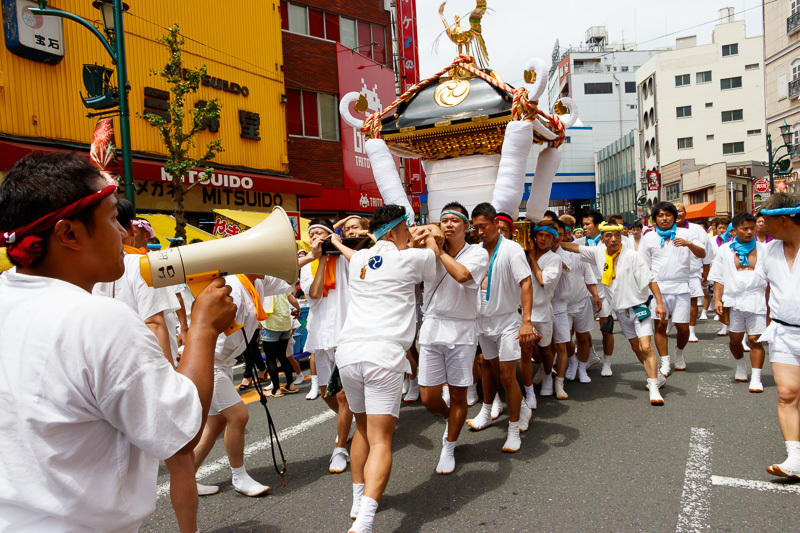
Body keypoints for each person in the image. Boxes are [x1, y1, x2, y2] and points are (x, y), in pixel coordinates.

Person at [0, 152, 236, 531]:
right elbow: (181, 432)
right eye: (112, 219)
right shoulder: (98, 319)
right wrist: (204, 327)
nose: (125, 233)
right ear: (69, 233)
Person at [334, 205, 437, 532]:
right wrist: (429, 239)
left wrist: (410, 241)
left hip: (349, 353)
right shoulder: (412, 258)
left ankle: (357, 498)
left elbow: (361, 255)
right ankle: (365, 520)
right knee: (381, 440)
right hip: (383, 355)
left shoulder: (360, 259)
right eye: (406, 228)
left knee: (361, 429)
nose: (411, 233)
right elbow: (433, 264)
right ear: (392, 232)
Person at [561, 221, 668, 404]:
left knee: (645, 347)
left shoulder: (633, 256)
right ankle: (656, 374)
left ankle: (654, 387)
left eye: (617, 235)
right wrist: (550, 239)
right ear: (601, 239)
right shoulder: (598, 253)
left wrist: (659, 303)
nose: (614, 239)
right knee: (636, 347)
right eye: (609, 236)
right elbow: (571, 247)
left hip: (639, 307)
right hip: (620, 312)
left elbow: (651, 280)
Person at [418, 202, 489, 475]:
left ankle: (449, 445)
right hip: (432, 327)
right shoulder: (428, 251)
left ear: (466, 226)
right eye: (443, 220)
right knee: (428, 396)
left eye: (454, 221)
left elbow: (462, 275)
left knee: (459, 393)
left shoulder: (478, 253)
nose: (448, 225)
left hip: (461, 330)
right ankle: (452, 420)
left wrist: (436, 252)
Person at [466, 203, 534, 452]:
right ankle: (503, 409)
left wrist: (526, 321)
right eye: (476, 227)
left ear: (496, 223)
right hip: (483, 322)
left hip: (506, 321)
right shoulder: (475, 250)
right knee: (489, 369)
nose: (480, 231)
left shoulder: (511, 249)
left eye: (483, 226)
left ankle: (514, 429)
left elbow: (526, 283)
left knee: (507, 375)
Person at [300, 219, 355, 473]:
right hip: (321, 333)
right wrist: (319, 259)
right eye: (312, 235)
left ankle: (340, 448)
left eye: (322, 233)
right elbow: (314, 293)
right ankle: (350, 420)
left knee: (343, 394)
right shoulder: (307, 266)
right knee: (327, 393)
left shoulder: (344, 258)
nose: (316, 237)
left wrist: (336, 245)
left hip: (345, 333)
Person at [755, 192, 800, 479]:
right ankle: (795, 458)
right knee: (786, 393)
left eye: (766, 221)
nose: (761, 225)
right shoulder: (769, 251)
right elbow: (763, 286)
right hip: (783, 330)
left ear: (783, 219)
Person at [639, 202, 706, 376]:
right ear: (655, 219)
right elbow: (644, 266)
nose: (664, 218)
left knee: (682, 328)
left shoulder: (687, 233)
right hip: (658, 288)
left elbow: (702, 254)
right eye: (660, 215)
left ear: (675, 217)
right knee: (660, 326)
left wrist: (688, 244)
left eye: (668, 215)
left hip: (682, 287)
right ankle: (665, 361)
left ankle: (679, 352)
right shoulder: (649, 237)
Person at [708, 212, 767, 392]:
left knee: (755, 339)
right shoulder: (725, 250)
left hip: (758, 298)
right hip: (733, 300)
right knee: (735, 340)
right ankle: (740, 365)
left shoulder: (765, 249)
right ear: (734, 230)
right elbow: (718, 277)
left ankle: (756, 377)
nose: (750, 232)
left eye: (752, 228)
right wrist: (717, 299)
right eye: (745, 228)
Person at [550, 219, 602, 396]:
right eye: (560, 233)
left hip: (581, 301)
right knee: (565, 339)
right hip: (561, 305)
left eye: (565, 233)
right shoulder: (549, 252)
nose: (563, 236)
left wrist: (595, 295)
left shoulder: (578, 252)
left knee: (583, 336)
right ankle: (572, 361)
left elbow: (588, 276)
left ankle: (582, 368)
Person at [527, 220, 563, 396]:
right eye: (540, 235)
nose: (543, 239)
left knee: (544, 347)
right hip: (521, 310)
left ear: (553, 239)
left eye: (548, 236)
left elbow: (543, 281)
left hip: (541, 310)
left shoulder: (554, 259)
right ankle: (537, 373)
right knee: (527, 349)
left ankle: (548, 376)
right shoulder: (523, 254)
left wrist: (533, 258)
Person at [575, 209, 612, 374]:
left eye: (588, 224)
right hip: (584, 289)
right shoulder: (579, 242)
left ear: (598, 225)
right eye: (583, 224)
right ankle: (590, 355)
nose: (584, 227)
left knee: (606, 328)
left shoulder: (608, 242)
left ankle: (607, 363)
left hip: (604, 288)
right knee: (582, 329)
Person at [674, 203, 715, 343]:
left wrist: (706, 271)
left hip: (692, 271)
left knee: (692, 301)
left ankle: (691, 330)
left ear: (685, 212)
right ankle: (669, 324)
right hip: (671, 273)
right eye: (674, 211)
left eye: (680, 211)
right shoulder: (664, 229)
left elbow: (706, 250)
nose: (677, 214)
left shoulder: (696, 229)